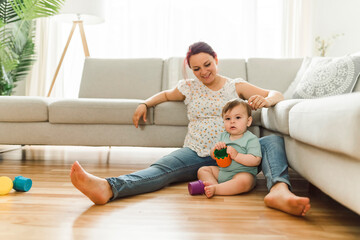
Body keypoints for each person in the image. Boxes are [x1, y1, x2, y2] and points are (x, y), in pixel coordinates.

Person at [70, 41, 311, 216]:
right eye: (197, 69)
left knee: (272, 141)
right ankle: (108, 188)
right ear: (191, 70)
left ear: (215, 59)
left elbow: (275, 94)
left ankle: (279, 191)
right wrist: (145, 103)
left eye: (207, 64)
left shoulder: (235, 85)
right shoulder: (188, 87)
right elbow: (164, 94)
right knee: (160, 169)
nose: (204, 72)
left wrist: (267, 101)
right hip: (197, 152)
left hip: (239, 152)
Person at [198, 99, 262, 198]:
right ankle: (214, 185)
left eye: (237, 117)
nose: (232, 121)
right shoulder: (223, 136)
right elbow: (213, 156)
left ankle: (216, 189)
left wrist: (237, 156)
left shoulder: (251, 139)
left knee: (245, 181)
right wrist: (215, 150)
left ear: (248, 121)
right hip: (223, 172)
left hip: (242, 173)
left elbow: (256, 160)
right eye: (227, 119)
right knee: (203, 170)